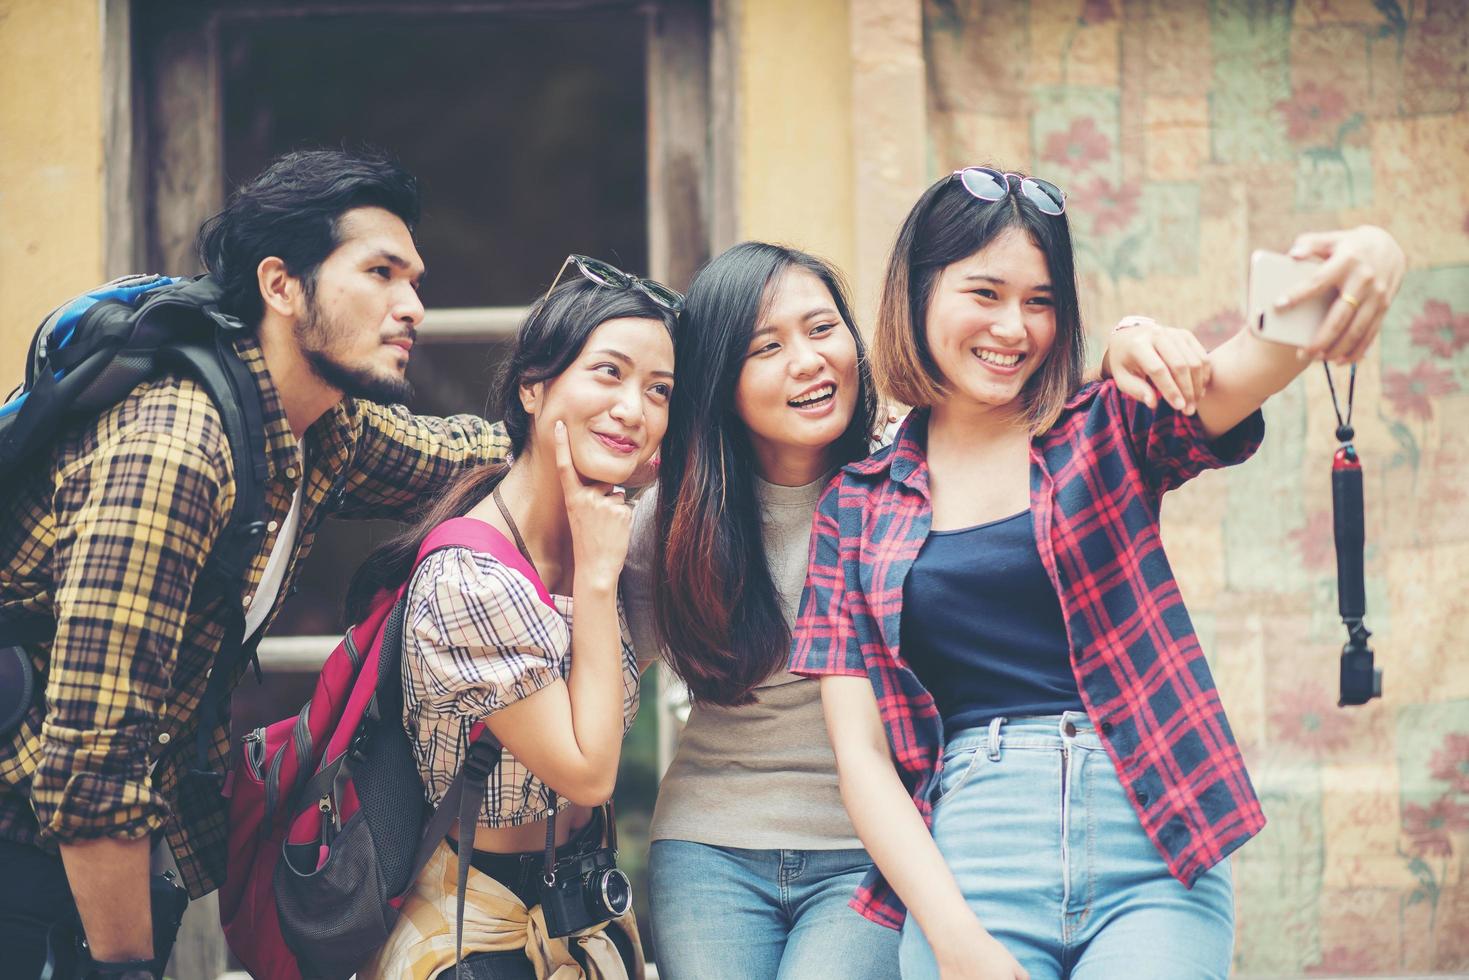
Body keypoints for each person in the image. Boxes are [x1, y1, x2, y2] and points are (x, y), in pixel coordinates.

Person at [789, 166, 1404, 980]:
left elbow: (1268, 349)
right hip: (973, 856)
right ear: (918, 291)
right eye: (984, 292)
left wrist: (1372, 251)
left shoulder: (1106, 425)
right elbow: (860, 758)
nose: (1013, 328)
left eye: (1039, 302)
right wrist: (951, 934)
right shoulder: (854, 508)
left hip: (1151, 835)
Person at [622, 240, 1237, 980]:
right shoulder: (678, 518)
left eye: (822, 330)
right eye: (767, 346)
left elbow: (1050, 425)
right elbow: (602, 680)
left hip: (874, 847)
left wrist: (1129, 335)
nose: (809, 361)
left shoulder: (910, 475)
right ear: (721, 380)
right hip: (710, 840)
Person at [0, 149, 516, 980]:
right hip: (25, 861)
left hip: (102, 859)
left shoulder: (319, 428)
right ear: (280, 286)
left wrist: (605, 423)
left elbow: (456, 454)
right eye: (380, 273)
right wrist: (125, 970)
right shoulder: (176, 448)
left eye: (414, 280)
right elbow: (93, 762)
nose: (412, 305)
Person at [359, 261, 678, 980]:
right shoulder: (471, 578)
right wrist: (597, 581)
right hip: (475, 916)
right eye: (608, 372)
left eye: (658, 390)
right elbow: (589, 772)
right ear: (534, 388)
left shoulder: (609, 531)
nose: (634, 408)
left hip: (581, 899)